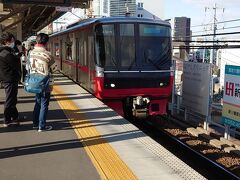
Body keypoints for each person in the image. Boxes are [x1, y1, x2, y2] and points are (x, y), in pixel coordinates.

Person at [28, 33, 57, 132]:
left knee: (38, 102)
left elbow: (28, 67)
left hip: (34, 80)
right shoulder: (47, 54)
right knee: (44, 103)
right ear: (46, 43)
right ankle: (42, 126)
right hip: (44, 82)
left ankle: (35, 124)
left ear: (37, 41)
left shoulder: (30, 53)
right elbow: (55, 69)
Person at [0, 32, 21, 127]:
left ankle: (15, 117)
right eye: (12, 40)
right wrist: (16, 54)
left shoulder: (5, 51)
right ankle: (7, 120)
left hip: (8, 78)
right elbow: (15, 64)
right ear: (6, 42)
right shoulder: (6, 53)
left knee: (13, 99)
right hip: (9, 79)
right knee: (10, 99)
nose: (13, 42)